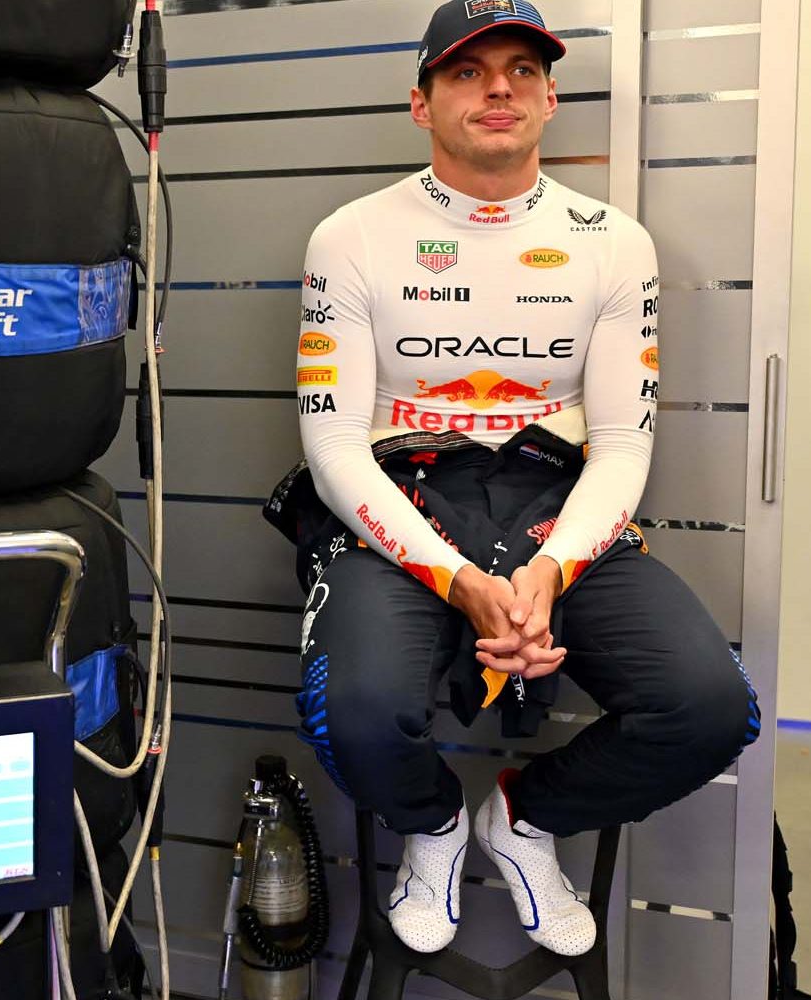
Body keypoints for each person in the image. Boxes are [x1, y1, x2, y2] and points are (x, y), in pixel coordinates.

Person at [283, 0, 760, 957]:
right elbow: (332, 447)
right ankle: (434, 826)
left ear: (549, 97)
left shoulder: (613, 241)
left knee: (713, 710)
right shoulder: (351, 236)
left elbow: (624, 442)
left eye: (521, 70)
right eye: (466, 71)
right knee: (353, 715)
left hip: (555, 500)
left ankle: (523, 818)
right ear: (420, 103)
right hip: (401, 497)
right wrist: (459, 580)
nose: (498, 88)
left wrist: (550, 573)